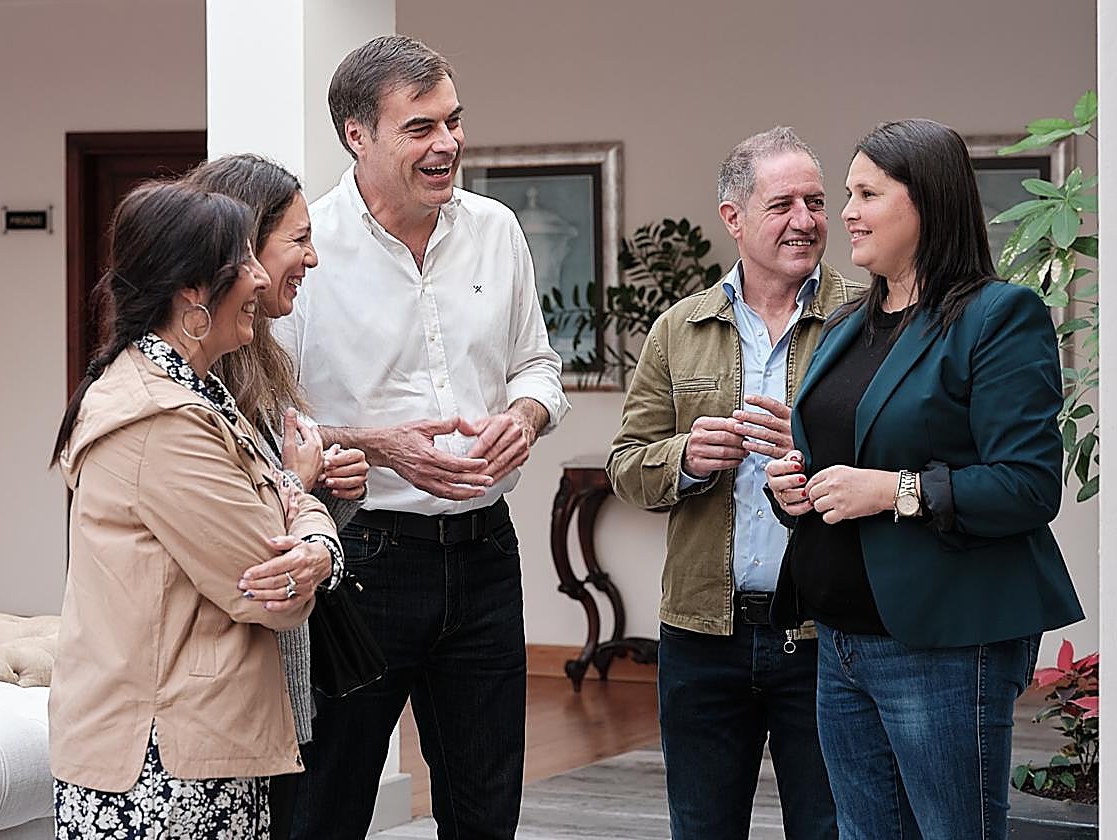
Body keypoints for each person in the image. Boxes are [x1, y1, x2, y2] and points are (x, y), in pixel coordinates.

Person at [274, 34, 569, 840]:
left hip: (485, 559)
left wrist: (526, 417)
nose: (448, 144)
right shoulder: (306, 249)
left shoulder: (498, 229)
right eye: (420, 128)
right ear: (357, 135)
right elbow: (272, 424)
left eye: (453, 121)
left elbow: (538, 365)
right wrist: (377, 446)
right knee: (324, 810)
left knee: (485, 813)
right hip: (359, 560)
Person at [765, 118, 1085, 839]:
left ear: (928, 203)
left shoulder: (1000, 318)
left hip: (943, 645)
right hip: (840, 640)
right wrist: (798, 488)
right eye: (847, 193)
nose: (844, 212)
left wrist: (890, 490)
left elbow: (1028, 487)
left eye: (866, 193)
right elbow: (839, 456)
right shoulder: (850, 322)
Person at [49, 180, 341, 839]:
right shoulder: (164, 421)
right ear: (191, 291)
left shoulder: (194, 394)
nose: (262, 278)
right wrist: (306, 506)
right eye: (244, 262)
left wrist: (312, 539)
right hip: (164, 763)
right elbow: (271, 591)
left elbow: (289, 543)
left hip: (186, 746)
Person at [608, 127, 859, 840]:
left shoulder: (865, 319)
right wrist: (687, 457)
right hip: (700, 635)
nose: (806, 221)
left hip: (827, 636)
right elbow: (627, 464)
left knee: (832, 827)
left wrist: (810, 455)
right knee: (702, 827)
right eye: (783, 204)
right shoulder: (678, 329)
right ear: (734, 217)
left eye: (816, 201)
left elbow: (895, 459)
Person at [184, 153, 372, 840]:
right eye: (298, 240)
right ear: (242, 250)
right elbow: (256, 545)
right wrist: (302, 488)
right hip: (225, 699)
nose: (312, 259)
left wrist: (328, 489)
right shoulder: (190, 386)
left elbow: (286, 509)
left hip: (278, 696)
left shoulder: (260, 355)